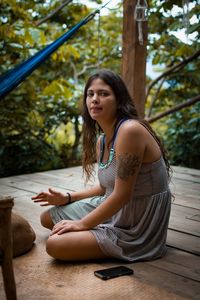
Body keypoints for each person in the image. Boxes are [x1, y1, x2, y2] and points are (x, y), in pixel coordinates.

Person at [32, 69, 171, 262]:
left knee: (55, 244)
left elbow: (122, 194)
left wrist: (82, 224)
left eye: (103, 94)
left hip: (136, 219)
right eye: (90, 94)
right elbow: (106, 187)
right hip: (113, 204)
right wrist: (67, 197)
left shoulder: (130, 130)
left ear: (119, 99)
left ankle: (103, 234)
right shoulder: (102, 141)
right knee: (48, 217)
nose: (94, 99)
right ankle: (96, 229)